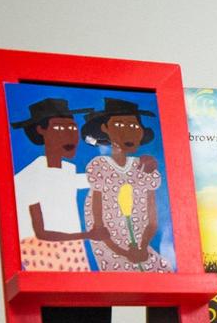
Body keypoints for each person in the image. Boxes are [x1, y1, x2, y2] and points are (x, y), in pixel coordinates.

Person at [9, 97, 103, 271]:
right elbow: (41, 234)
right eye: (59, 128)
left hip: (73, 250)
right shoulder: (27, 178)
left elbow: (87, 180)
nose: (69, 134)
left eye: (72, 128)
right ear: (40, 130)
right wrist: (88, 235)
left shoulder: (67, 170)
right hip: (42, 253)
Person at [82, 98, 171, 272]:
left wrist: (142, 248)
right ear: (105, 129)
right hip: (112, 249)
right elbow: (98, 225)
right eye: (120, 125)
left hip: (142, 248)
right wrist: (123, 252)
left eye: (133, 126)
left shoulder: (145, 167)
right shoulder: (100, 167)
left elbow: (153, 221)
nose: (128, 132)